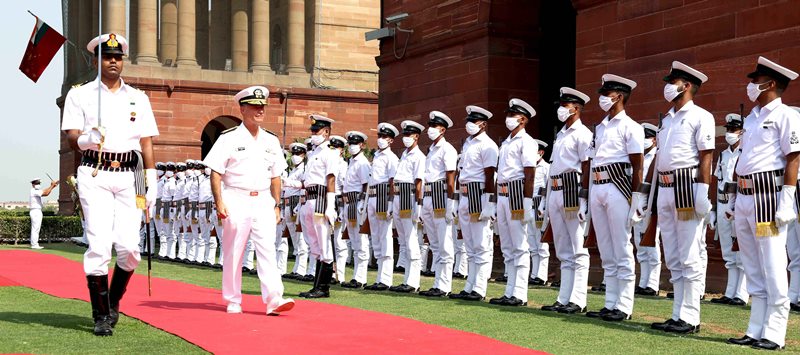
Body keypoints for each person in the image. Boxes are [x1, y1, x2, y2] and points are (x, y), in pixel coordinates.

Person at [61, 33, 158, 336]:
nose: (113, 61)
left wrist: (150, 184)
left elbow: (146, 145)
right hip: (95, 173)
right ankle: (101, 315)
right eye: (106, 56)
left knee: (130, 249)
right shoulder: (81, 95)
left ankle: (113, 300)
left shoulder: (138, 97)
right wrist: (87, 139)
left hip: (130, 176)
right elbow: (72, 136)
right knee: (100, 245)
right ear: (96, 60)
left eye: (117, 57)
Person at [727, 56, 800, 351]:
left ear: (770, 84)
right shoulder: (752, 117)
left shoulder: (787, 116)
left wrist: (786, 200)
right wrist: (732, 197)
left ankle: (774, 332)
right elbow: (742, 159)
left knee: (771, 263)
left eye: (755, 81)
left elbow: (793, 158)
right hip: (745, 197)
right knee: (752, 266)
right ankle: (755, 328)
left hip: (769, 198)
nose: (750, 86)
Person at [203, 85, 294, 315]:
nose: (260, 110)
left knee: (267, 249)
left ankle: (274, 299)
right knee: (234, 250)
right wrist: (219, 202)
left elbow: (276, 176)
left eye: (262, 106)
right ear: (243, 109)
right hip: (236, 197)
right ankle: (233, 299)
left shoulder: (271, 140)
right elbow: (216, 172)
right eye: (255, 106)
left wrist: (277, 204)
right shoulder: (229, 138)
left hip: (263, 199)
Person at [649, 61, 714, 334]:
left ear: (686, 86)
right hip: (664, 187)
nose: (667, 86)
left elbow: (706, 156)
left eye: (672, 81)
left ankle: (690, 317)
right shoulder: (667, 119)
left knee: (688, 255)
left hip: (687, 184)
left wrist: (702, 191)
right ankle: (677, 313)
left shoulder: (701, 116)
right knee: (673, 255)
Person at [586, 74, 644, 322]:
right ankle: (610, 302)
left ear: (618, 96)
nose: (602, 99)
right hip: (597, 186)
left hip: (618, 185)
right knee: (606, 249)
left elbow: (638, 165)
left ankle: (624, 305)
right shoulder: (599, 127)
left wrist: (637, 198)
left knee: (621, 247)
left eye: (605, 95)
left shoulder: (631, 126)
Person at [539, 87, 592, 314]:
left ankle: (578, 300)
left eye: (564, 105)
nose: (561, 109)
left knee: (578, 247)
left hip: (572, 188)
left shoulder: (583, 134)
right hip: (557, 189)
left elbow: (587, 165)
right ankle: (563, 298)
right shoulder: (561, 134)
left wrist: (584, 197)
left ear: (576, 108)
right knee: (562, 248)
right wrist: (545, 199)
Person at [489, 99, 538, 307]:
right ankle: (509, 290)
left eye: (513, 115)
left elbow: (529, 174)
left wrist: (527, 202)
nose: (509, 118)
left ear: (523, 119)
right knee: (508, 245)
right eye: (508, 114)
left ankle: (519, 293)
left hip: (518, 192)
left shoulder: (527, 142)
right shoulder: (507, 142)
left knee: (519, 245)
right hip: (502, 193)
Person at [449, 105, 498, 302]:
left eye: (473, 121)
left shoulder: (488, 145)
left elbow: (489, 175)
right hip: (466, 193)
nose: (469, 125)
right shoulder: (468, 143)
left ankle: (479, 287)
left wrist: (489, 201)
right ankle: (470, 285)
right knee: (468, 243)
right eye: (468, 121)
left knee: (480, 244)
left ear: (483, 124)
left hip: (479, 193)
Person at [298, 115, 341, 299]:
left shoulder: (329, 153)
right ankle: (316, 285)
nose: (313, 134)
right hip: (309, 198)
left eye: (317, 131)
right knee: (314, 243)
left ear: (326, 132)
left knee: (324, 244)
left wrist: (330, 206)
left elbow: (331, 179)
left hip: (322, 200)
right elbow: (307, 181)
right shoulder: (313, 153)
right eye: (312, 131)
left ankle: (323, 287)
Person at [419, 111, 458, 297]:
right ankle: (437, 283)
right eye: (430, 126)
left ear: (442, 129)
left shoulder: (447, 149)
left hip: (441, 195)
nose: (430, 130)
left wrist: (450, 203)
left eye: (434, 126)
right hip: (428, 196)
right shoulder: (431, 149)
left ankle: (444, 286)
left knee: (444, 243)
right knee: (434, 243)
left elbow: (451, 178)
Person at [710, 114, 748, 306]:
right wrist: (714, 209)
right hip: (723, 202)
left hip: (739, 203)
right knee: (728, 251)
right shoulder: (724, 155)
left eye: (733, 130)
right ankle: (730, 292)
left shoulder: (746, 152)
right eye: (728, 130)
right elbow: (717, 182)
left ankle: (741, 294)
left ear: (742, 131)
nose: (729, 134)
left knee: (740, 249)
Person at [389, 121, 427, 293]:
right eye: (404, 135)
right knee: (403, 240)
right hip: (399, 196)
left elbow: (419, 182)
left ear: (416, 137)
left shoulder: (419, 156)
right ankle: (406, 279)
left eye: (408, 135)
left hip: (408, 197)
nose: (405, 138)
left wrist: (418, 204)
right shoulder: (404, 154)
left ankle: (413, 281)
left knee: (411, 240)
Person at [364, 123, 400, 291]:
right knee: (376, 238)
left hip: (382, 196)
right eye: (379, 136)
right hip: (372, 196)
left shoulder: (391, 158)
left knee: (384, 237)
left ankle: (385, 279)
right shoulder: (377, 156)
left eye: (384, 137)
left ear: (391, 140)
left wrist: (391, 202)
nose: (381, 140)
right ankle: (379, 276)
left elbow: (392, 181)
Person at [633, 123, 662, 297]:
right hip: (637, 202)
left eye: (646, 137)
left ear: (654, 139)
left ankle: (653, 283)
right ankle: (644, 281)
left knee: (651, 242)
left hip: (651, 203)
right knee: (639, 242)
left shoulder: (657, 156)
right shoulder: (639, 156)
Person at [341, 131, 372, 288]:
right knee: (353, 241)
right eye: (350, 144)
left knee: (360, 241)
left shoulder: (362, 162)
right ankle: (355, 276)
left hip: (357, 202)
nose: (352, 146)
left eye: (355, 143)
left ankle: (360, 277)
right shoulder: (351, 161)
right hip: (348, 203)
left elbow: (366, 184)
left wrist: (362, 204)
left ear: (362, 145)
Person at [282, 143, 311, 279]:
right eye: (293, 154)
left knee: (300, 238)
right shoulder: (293, 170)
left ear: (303, 155)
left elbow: (304, 186)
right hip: (288, 203)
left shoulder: (304, 169)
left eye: (298, 154)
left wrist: (288, 182)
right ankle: (296, 268)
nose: (295, 157)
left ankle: (301, 269)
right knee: (294, 238)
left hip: (296, 201)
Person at [329, 135, 350, 284]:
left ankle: (340, 274)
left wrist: (342, 208)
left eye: (336, 148)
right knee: (326, 241)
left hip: (337, 201)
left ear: (342, 150)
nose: (334, 150)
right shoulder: (328, 162)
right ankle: (329, 273)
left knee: (338, 241)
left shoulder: (343, 165)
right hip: (327, 201)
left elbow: (344, 188)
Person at [528, 140, 550, 286]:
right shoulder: (528, 168)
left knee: (541, 242)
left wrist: (544, 205)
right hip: (528, 204)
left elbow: (547, 189)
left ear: (540, 152)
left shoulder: (546, 167)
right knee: (531, 242)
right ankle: (534, 273)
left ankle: (542, 276)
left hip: (540, 205)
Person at [29, 178, 59, 249]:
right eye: (36, 183)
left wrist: (53, 186)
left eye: (39, 183)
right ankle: (34, 244)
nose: (38, 185)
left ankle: (34, 243)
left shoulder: (36, 191)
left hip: (37, 210)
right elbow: (45, 194)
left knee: (36, 228)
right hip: (35, 210)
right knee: (35, 228)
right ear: (33, 185)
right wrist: (51, 186)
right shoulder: (33, 191)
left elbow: (46, 191)